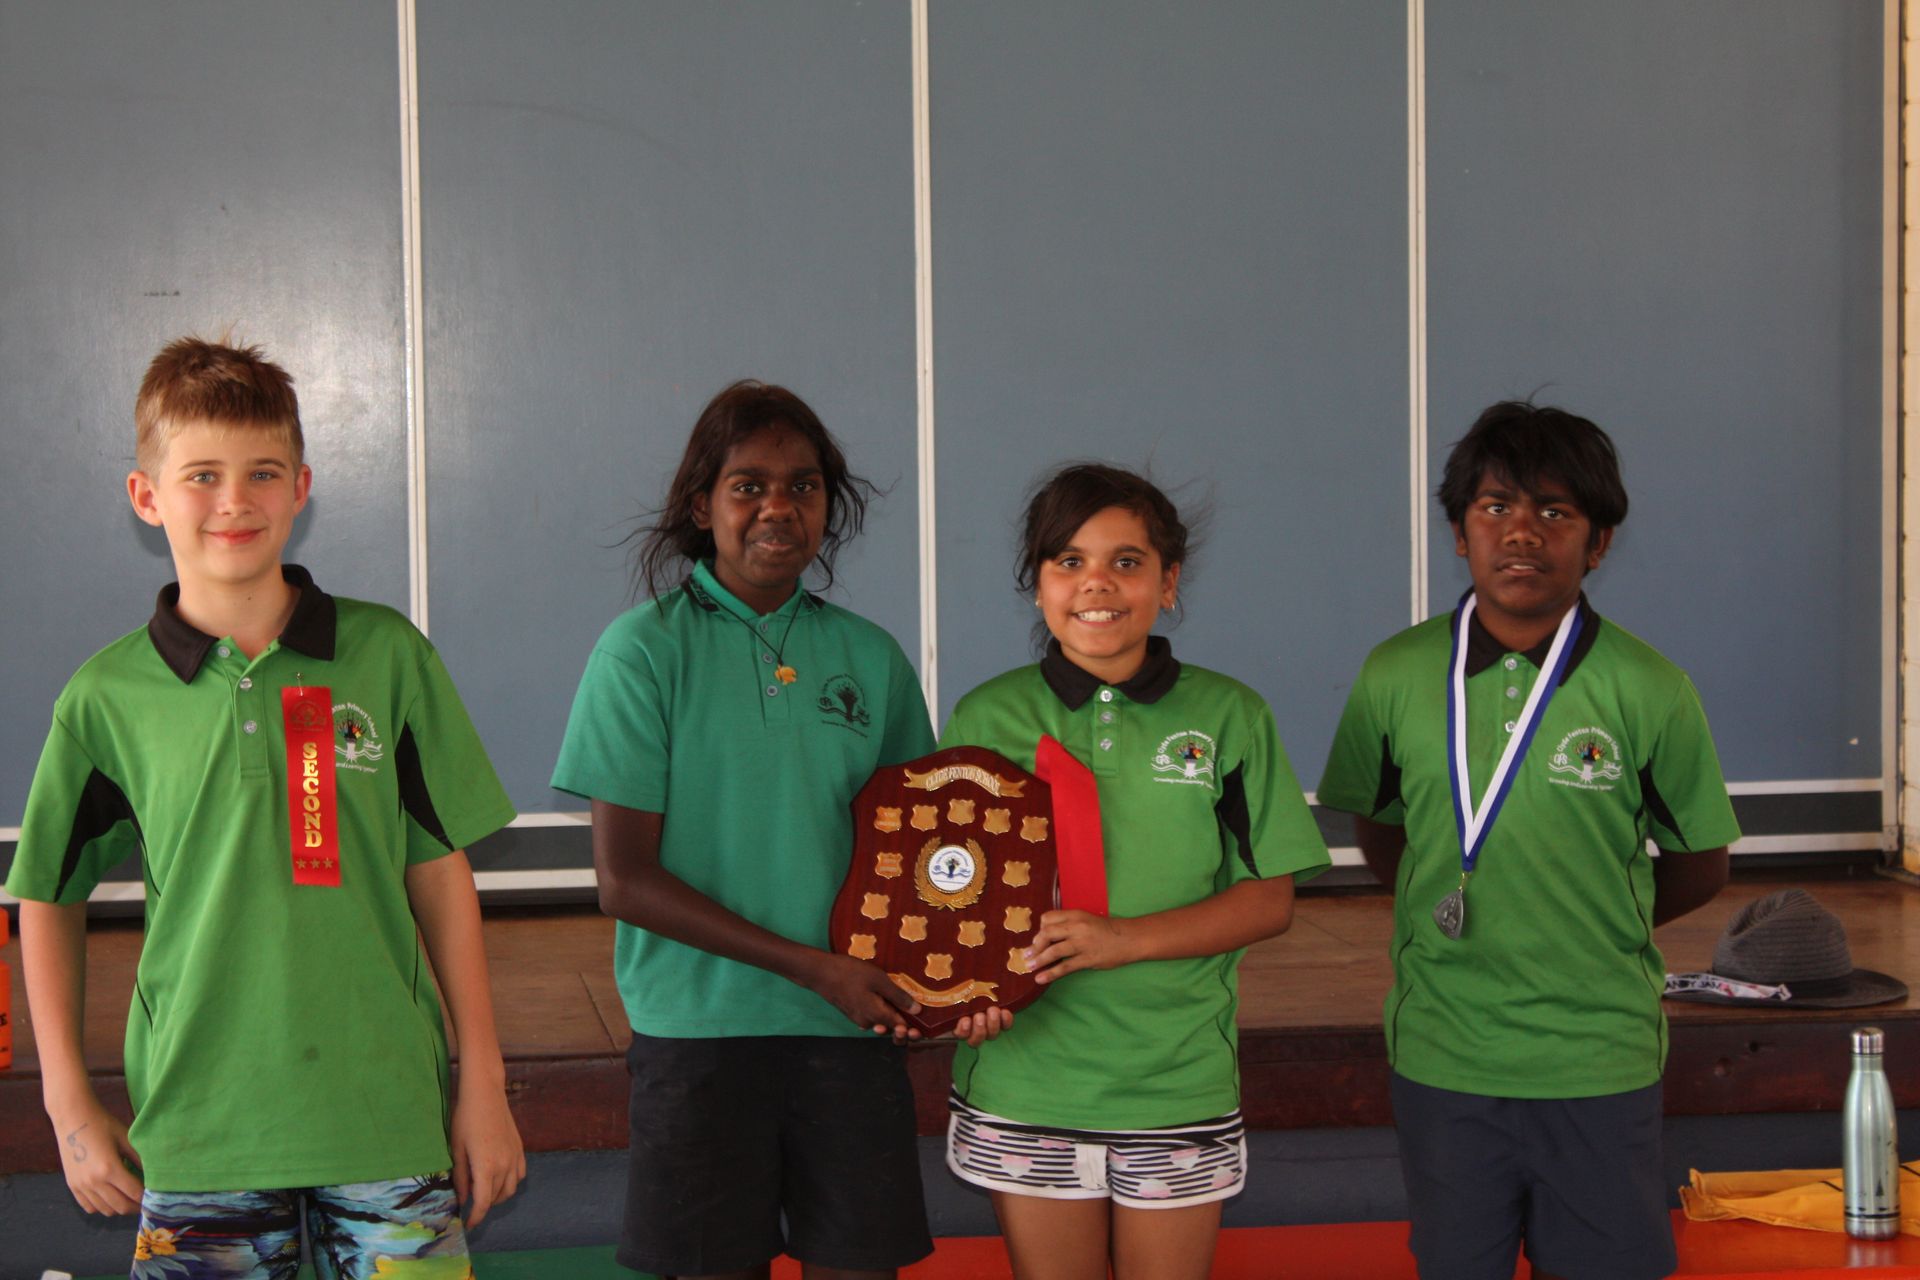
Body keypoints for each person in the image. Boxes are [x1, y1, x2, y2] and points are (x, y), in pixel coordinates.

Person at [9, 337, 524, 1275]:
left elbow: (440, 872)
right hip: (203, 1130)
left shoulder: (387, 656)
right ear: (148, 496)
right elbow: (46, 892)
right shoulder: (105, 698)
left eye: (262, 474)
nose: (233, 501)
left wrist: (481, 1082)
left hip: (386, 1119)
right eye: (201, 475)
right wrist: (66, 1102)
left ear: (302, 487)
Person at [551, 380, 995, 1280]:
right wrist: (816, 969)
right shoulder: (641, 651)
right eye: (748, 485)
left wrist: (946, 984)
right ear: (700, 504)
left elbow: (920, 863)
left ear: (829, 505)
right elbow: (624, 882)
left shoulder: (870, 657)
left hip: (849, 1035)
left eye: (803, 485)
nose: (777, 507)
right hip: (700, 1035)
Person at [1317, 400, 1741, 1280]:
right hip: (1445, 1052)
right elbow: (1381, 829)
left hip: (1599, 1057)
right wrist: (1455, 904)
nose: (1522, 533)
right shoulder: (1393, 674)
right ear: (1459, 530)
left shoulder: (1651, 687)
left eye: (1556, 512)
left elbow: (1701, 864)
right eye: (1496, 507)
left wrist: (1594, 923)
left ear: (1599, 542)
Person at [937, 463, 1330, 1280]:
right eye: (1068, 561)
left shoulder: (1231, 714)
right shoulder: (985, 715)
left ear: (1168, 580)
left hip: (1174, 1078)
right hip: (1029, 1081)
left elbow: (1270, 899)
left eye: (1127, 561)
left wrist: (1124, 940)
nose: (1097, 585)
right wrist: (960, 992)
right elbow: (949, 898)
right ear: (1037, 583)